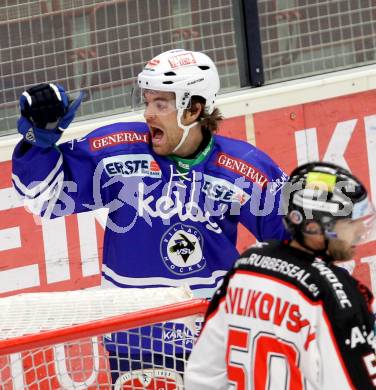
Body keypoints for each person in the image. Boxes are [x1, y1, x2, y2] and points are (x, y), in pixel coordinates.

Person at [12, 49, 289, 385]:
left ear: (194, 109)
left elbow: (295, 241)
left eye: (161, 104)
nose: (148, 114)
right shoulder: (118, 148)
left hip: (211, 336)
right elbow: (43, 197)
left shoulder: (242, 167)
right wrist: (38, 138)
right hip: (133, 338)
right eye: (146, 102)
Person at [185, 161, 376, 390]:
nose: (360, 231)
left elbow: (202, 374)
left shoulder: (246, 266)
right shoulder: (339, 294)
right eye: (350, 222)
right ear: (314, 227)